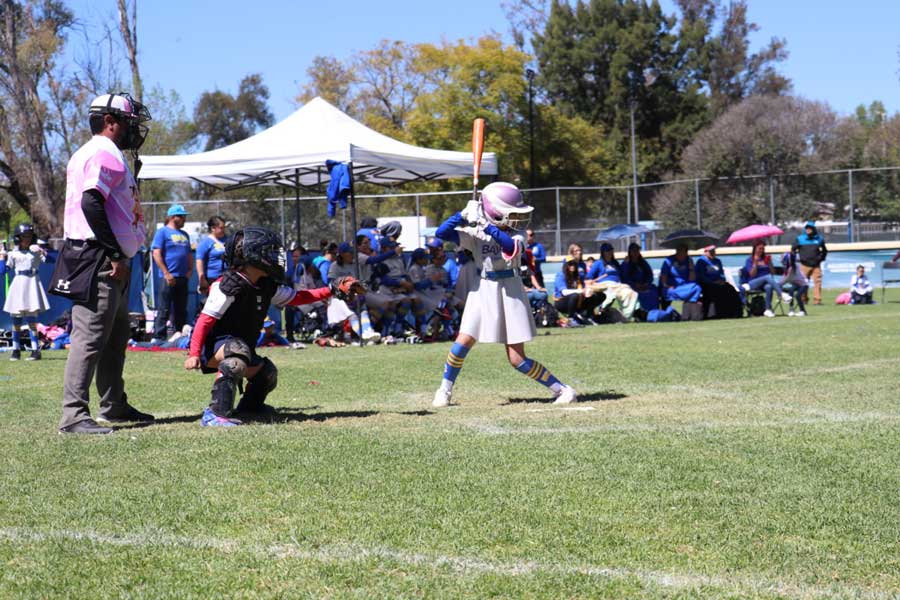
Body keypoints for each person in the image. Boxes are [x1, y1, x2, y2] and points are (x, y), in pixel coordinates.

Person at [185, 227, 363, 426]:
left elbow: (298, 297)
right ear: (253, 254)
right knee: (236, 356)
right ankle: (215, 414)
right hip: (212, 347)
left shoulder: (265, 284)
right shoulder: (227, 285)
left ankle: (250, 408)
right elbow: (204, 321)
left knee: (267, 373)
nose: (275, 257)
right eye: (269, 251)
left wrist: (331, 290)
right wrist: (193, 353)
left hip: (238, 348)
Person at [56, 92, 153, 434]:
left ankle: (113, 404)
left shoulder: (103, 152)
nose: (133, 130)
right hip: (100, 257)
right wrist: (113, 253)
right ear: (110, 122)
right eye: (128, 123)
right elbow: (91, 201)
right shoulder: (101, 152)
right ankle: (73, 415)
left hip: (107, 256)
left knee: (115, 335)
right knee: (90, 336)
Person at [431, 182, 577, 407]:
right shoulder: (477, 232)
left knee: (516, 358)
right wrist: (460, 215)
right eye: (511, 213)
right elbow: (441, 233)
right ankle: (444, 390)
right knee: (462, 341)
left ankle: (562, 389)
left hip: (510, 291)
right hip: (482, 289)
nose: (517, 219)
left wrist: (485, 225)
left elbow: (510, 248)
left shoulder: (516, 235)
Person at [2, 224, 50, 360]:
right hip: (18, 284)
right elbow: (3, 271)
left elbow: (50, 260)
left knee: (31, 320)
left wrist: (41, 251)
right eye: (24, 236)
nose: (27, 239)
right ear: (18, 238)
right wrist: (2, 257)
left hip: (32, 284)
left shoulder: (35, 251)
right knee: (16, 320)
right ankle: (15, 350)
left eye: (29, 236)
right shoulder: (13, 254)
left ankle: (35, 351)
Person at [151, 204, 193, 342]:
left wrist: (189, 270)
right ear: (173, 217)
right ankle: (159, 337)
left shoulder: (185, 234)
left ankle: (180, 336)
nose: (184, 219)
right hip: (168, 278)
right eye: (182, 216)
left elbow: (188, 254)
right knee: (164, 309)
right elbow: (156, 253)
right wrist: (166, 273)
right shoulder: (162, 232)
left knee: (181, 309)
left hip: (183, 277)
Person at [586, 243, 638, 320]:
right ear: (603, 252)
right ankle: (602, 311)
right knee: (610, 294)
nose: (609, 252)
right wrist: (592, 282)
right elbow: (589, 277)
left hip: (617, 285)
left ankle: (626, 316)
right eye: (607, 251)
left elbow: (622, 274)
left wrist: (625, 263)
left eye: (611, 250)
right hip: (604, 285)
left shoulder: (615, 263)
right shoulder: (598, 263)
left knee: (632, 293)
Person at [741, 242, 792, 318]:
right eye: (759, 248)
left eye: (763, 249)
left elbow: (773, 273)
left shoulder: (765, 259)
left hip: (765, 283)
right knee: (767, 277)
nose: (761, 250)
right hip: (753, 283)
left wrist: (770, 263)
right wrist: (755, 263)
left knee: (768, 286)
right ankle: (782, 294)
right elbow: (752, 275)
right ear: (755, 249)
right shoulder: (749, 260)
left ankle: (767, 309)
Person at [695, 245, 742, 319]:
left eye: (714, 251)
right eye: (711, 251)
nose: (713, 253)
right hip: (706, 284)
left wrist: (722, 280)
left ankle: (733, 313)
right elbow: (701, 276)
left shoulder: (717, 261)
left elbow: (721, 274)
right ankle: (717, 313)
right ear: (705, 252)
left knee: (730, 289)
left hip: (718, 282)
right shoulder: (701, 262)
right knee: (716, 290)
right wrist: (712, 282)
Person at [659, 243, 703, 320]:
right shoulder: (669, 260)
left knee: (697, 287)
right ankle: (679, 310)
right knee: (669, 291)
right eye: (678, 250)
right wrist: (667, 286)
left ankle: (690, 309)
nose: (679, 253)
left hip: (685, 287)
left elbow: (692, 280)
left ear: (686, 252)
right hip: (672, 288)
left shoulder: (689, 260)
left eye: (681, 251)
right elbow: (663, 277)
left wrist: (691, 267)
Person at [554, 258, 604, 324]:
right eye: (570, 264)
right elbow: (564, 292)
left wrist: (590, 289)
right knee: (575, 296)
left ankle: (587, 315)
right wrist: (580, 291)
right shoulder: (560, 275)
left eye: (574, 264)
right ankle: (571, 319)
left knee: (600, 295)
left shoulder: (578, 275)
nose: (573, 266)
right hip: (561, 302)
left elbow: (585, 284)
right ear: (565, 265)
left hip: (578, 301)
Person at [791, 220, 827, 305]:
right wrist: (796, 259)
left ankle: (817, 300)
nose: (808, 230)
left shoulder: (819, 239)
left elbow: (824, 250)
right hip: (804, 265)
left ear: (814, 229)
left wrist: (821, 259)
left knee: (817, 283)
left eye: (810, 228)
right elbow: (793, 249)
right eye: (807, 228)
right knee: (804, 283)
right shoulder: (800, 239)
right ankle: (803, 299)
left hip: (816, 265)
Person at [195, 216, 227, 303]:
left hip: (227, 278)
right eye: (221, 228)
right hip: (212, 279)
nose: (223, 230)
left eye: (224, 227)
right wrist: (202, 279)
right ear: (213, 228)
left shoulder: (228, 240)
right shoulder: (205, 243)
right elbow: (199, 261)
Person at [620, 242, 660, 311]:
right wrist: (634, 285)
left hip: (644, 285)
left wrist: (646, 283)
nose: (636, 253)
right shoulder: (626, 263)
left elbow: (650, 275)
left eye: (637, 251)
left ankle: (653, 312)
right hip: (632, 287)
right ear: (630, 252)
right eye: (634, 251)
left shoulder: (642, 262)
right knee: (640, 295)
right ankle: (642, 312)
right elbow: (625, 278)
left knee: (653, 291)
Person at [780, 251, 809, 316]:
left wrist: (777, 286)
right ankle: (791, 309)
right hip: (796, 285)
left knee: (798, 295)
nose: (781, 261)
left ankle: (803, 311)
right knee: (791, 290)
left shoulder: (792, 268)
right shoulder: (789, 267)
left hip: (804, 284)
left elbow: (784, 280)